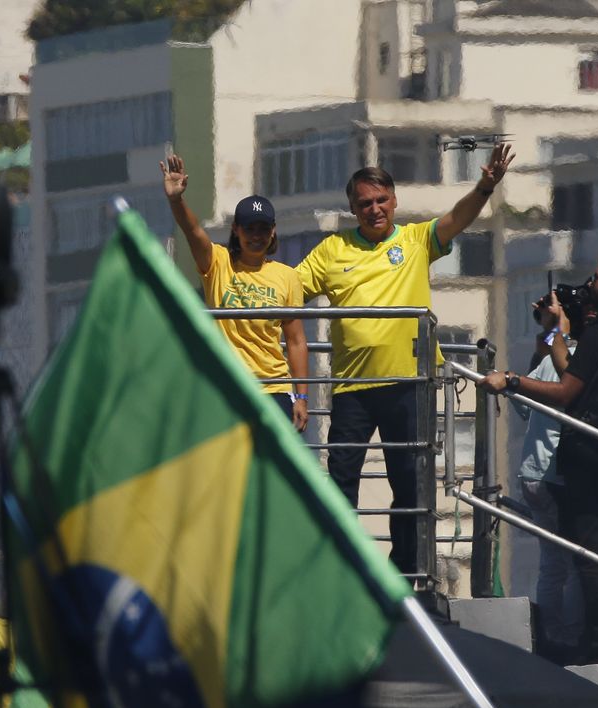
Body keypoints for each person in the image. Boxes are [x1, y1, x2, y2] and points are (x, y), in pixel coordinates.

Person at [294, 144, 514, 574]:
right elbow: (287, 293)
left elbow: (456, 220)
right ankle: (341, 574)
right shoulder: (332, 249)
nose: (374, 210)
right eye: (364, 204)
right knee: (339, 484)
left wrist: (485, 188)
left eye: (381, 201)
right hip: (352, 389)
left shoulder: (415, 240)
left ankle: (405, 579)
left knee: (410, 489)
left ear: (394, 201)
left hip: (409, 386)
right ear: (352, 209)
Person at [479, 251, 598, 671]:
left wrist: (512, 380)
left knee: (587, 557)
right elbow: (573, 370)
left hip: (588, 461)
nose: (592, 281)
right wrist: (556, 333)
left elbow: (566, 392)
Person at [161, 155, 309, 430]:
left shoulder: (288, 276)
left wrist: (301, 397)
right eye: (249, 229)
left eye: (263, 229)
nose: (256, 235)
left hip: (273, 391)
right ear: (236, 230)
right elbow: (192, 230)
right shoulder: (217, 262)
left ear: (273, 231)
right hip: (226, 389)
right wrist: (176, 200)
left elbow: (297, 340)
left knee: (271, 470)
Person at [512, 292, 586, 662]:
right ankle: (567, 637)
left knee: (551, 561)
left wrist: (547, 332)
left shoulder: (545, 361)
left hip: (533, 471)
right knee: (572, 563)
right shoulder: (575, 362)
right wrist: (554, 330)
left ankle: (551, 633)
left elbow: (520, 405)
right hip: (555, 475)